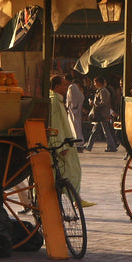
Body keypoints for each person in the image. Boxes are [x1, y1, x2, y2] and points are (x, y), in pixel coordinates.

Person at [49, 75, 94, 207]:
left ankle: (76, 197)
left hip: (65, 141)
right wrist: (60, 147)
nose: (66, 88)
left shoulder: (57, 100)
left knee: (72, 169)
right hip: (61, 145)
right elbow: (56, 125)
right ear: (57, 87)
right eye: (63, 85)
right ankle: (75, 198)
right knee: (71, 170)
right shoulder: (54, 103)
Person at [85, 77, 117, 152]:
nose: (94, 84)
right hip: (100, 114)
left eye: (95, 82)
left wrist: (94, 103)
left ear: (99, 82)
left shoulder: (102, 91)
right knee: (96, 130)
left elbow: (103, 102)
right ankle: (89, 146)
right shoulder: (101, 91)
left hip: (102, 114)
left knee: (105, 131)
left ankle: (112, 146)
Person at [65, 75, 86, 150]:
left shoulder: (71, 87)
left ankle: (78, 142)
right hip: (74, 108)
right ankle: (78, 142)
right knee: (76, 125)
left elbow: (72, 97)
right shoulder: (73, 87)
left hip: (73, 109)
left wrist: (74, 106)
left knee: (75, 125)